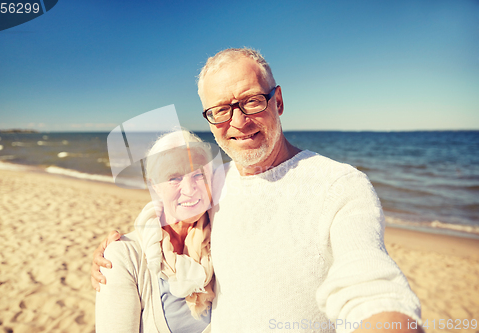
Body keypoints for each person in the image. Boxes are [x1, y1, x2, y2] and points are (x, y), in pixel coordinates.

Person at [92, 48, 422, 333]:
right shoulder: (214, 183)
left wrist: (386, 317)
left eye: (251, 101)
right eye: (220, 110)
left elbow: (367, 280)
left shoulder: (338, 185)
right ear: (209, 118)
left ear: (277, 101)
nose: (238, 121)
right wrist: (116, 249)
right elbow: (169, 208)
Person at [95, 130, 216, 333]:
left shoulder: (224, 237)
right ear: (154, 186)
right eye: (174, 178)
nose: (189, 189)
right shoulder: (123, 256)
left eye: (198, 175)